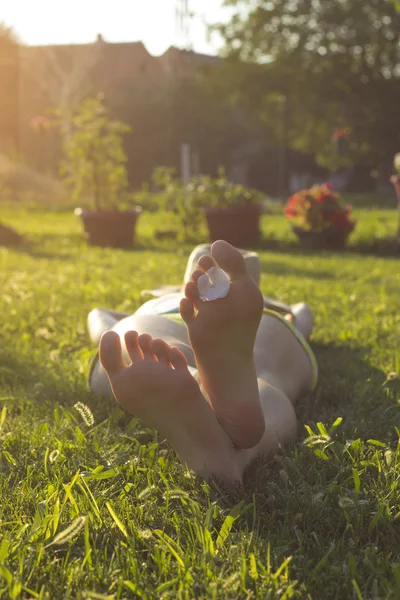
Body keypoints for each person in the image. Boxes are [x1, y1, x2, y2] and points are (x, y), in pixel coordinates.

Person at [87, 241, 317, 485]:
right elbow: (304, 315)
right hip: (268, 323)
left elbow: (99, 318)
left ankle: (195, 379)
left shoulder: (165, 299)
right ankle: (239, 453)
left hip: (164, 316)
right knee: (266, 376)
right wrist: (289, 313)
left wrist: (111, 322)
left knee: (136, 338)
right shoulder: (262, 306)